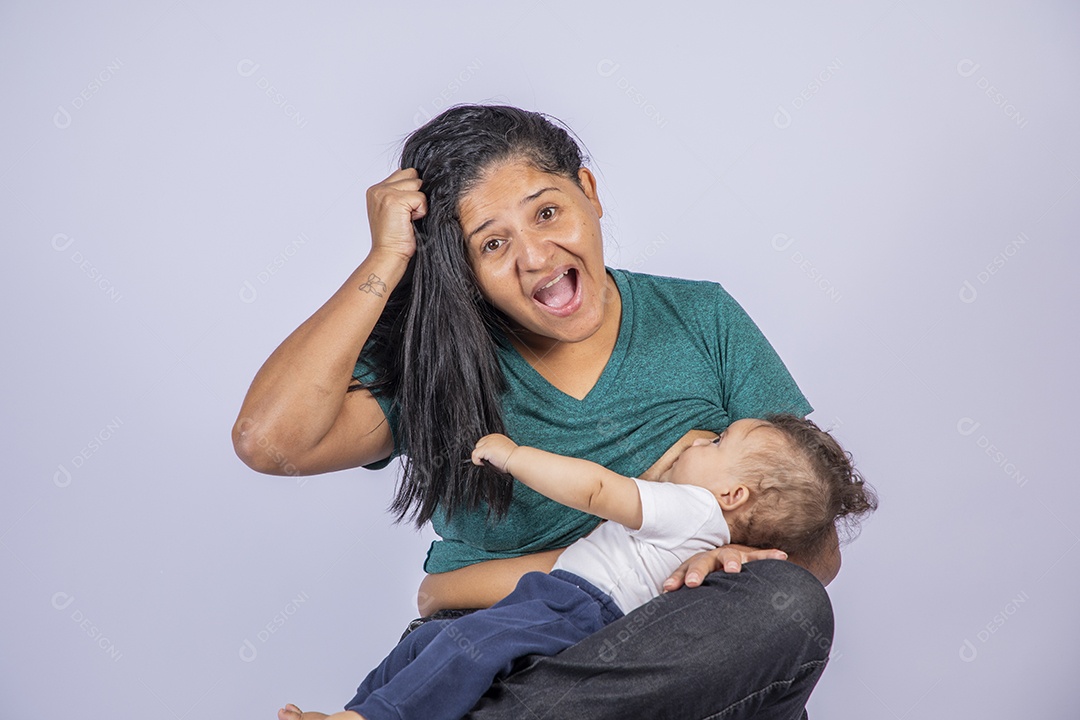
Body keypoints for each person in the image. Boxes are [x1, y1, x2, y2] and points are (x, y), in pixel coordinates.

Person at [235, 104, 846, 719]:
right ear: (463, 271)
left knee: (788, 602)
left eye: (547, 212)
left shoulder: (703, 318)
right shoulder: (434, 366)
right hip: (494, 647)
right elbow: (271, 442)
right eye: (492, 243)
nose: (535, 256)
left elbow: (816, 540)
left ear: (590, 192)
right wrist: (386, 260)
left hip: (668, 639)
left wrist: (712, 556)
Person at [284, 415, 875, 720]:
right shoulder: (703, 512)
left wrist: (515, 456)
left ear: (734, 497)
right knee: (437, 643)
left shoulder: (689, 508)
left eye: (718, 442)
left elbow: (598, 490)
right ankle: (358, 711)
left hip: (576, 607)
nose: (701, 440)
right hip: (568, 607)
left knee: (460, 645)